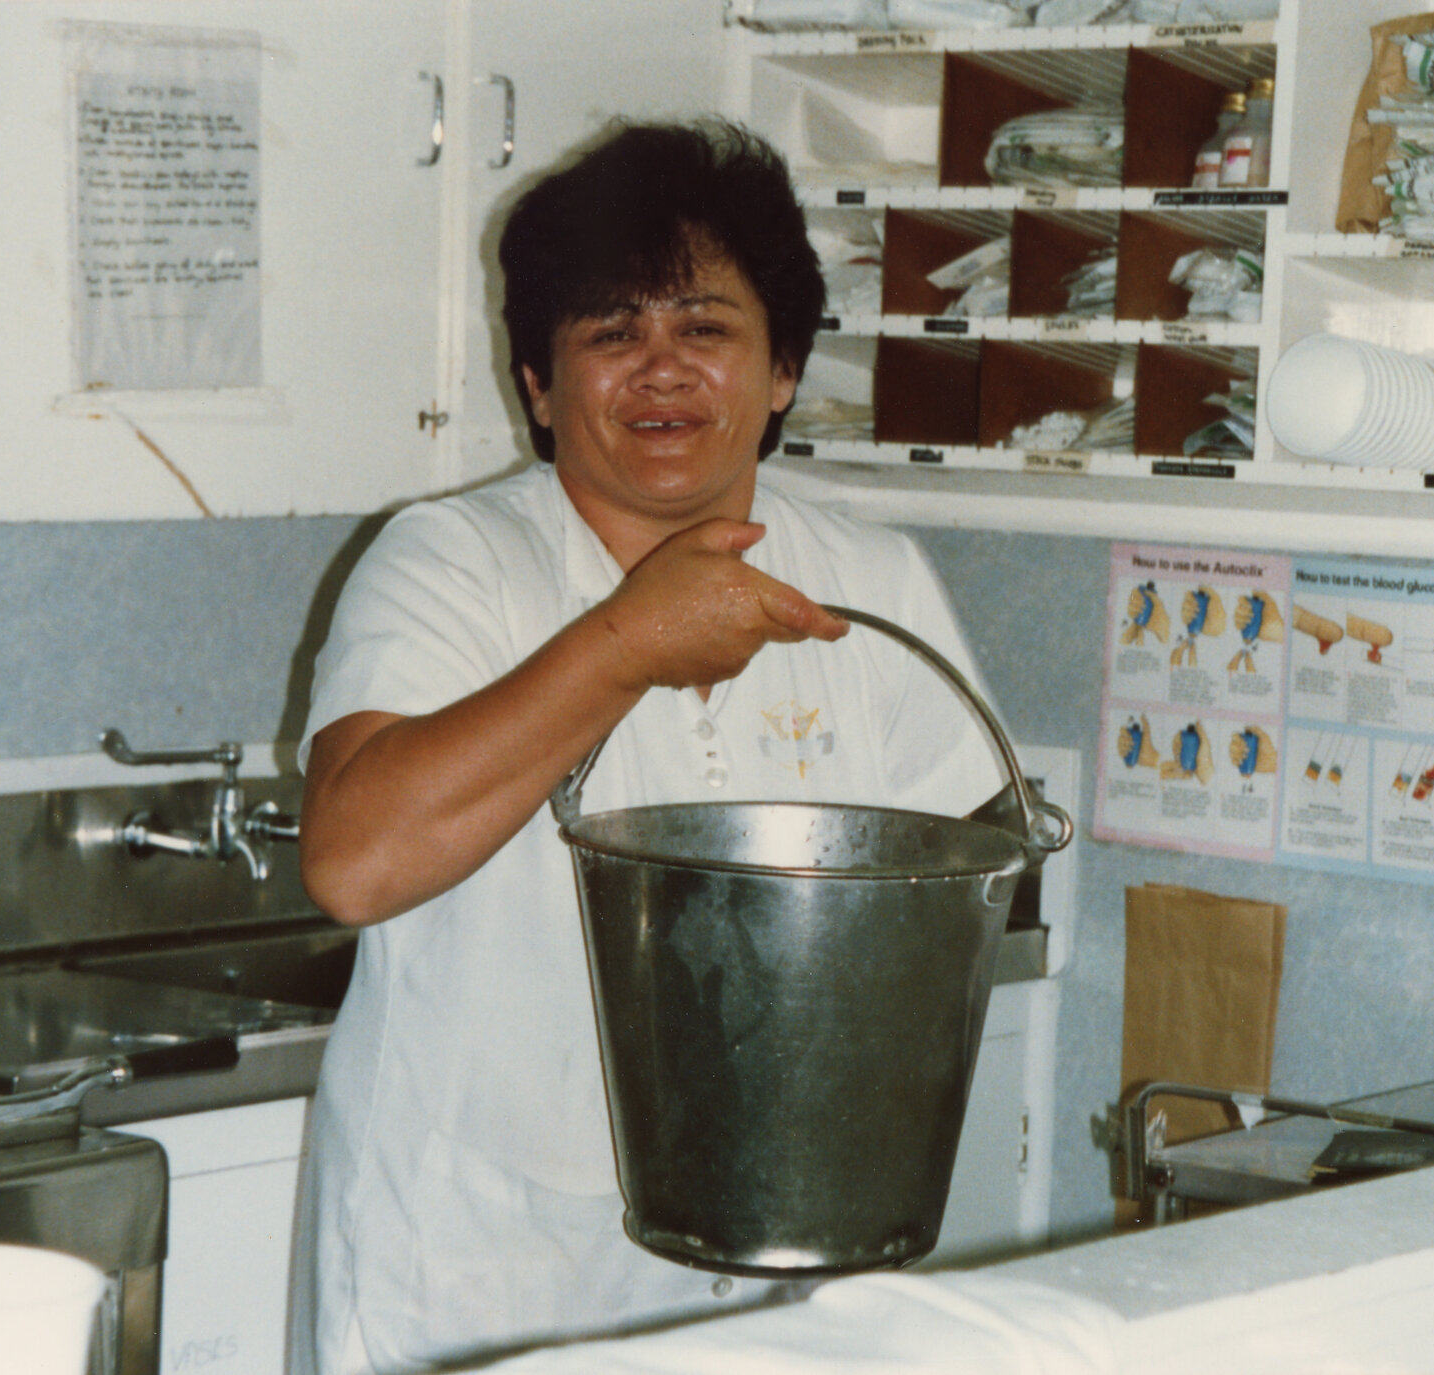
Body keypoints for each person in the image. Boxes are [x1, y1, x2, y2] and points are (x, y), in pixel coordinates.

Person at [291, 120, 1004, 1375]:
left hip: (781, 1268)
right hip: (477, 1268)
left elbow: (942, 924)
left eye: (705, 328)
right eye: (610, 333)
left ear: (781, 372)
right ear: (537, 386)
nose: (661, 368)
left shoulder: (870, 580)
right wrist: (626, 642)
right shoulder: (451, 563)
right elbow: (354, 863)